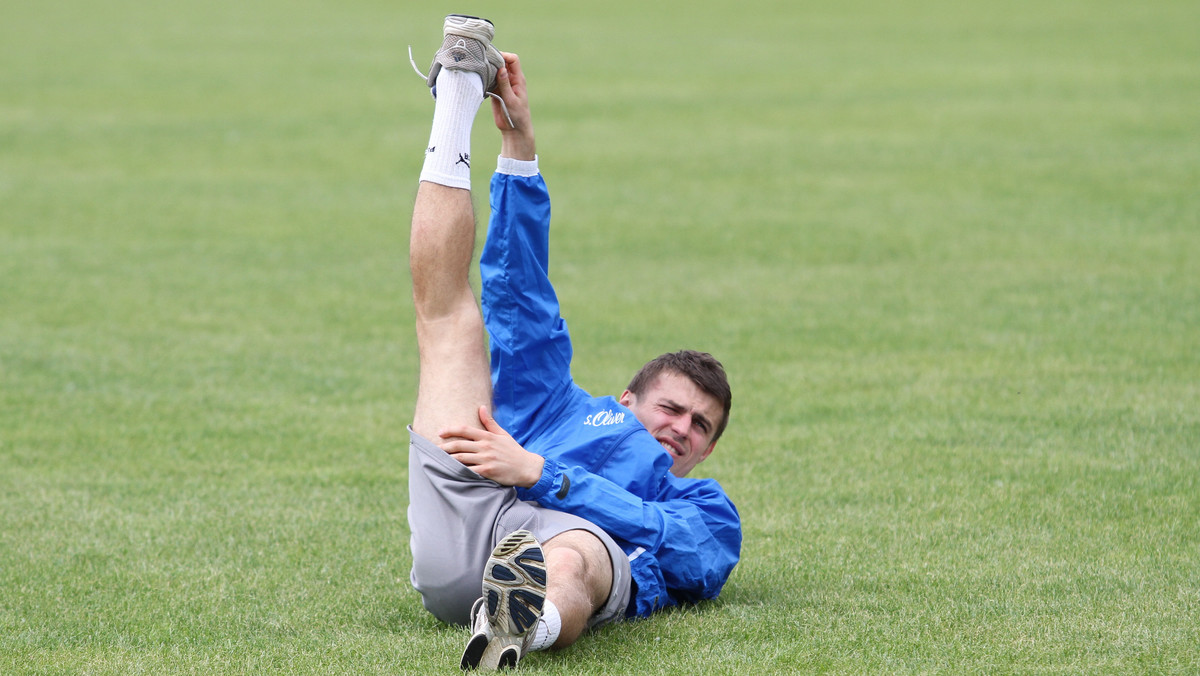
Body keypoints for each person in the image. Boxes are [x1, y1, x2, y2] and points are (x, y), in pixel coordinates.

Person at [405, 15, 741, 671]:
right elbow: (521, 294)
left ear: (707, 452)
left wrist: (544, 475)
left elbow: (693, 554)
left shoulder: (700, 504)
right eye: (671, 409)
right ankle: (458, 94)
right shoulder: (559, 408)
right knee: (451, 324)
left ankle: (517, 625)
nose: (682, 429)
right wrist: (520, 150)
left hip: (567, 541)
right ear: (624, 400)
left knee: (577, 552)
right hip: (473, 512)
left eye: (702, 426)